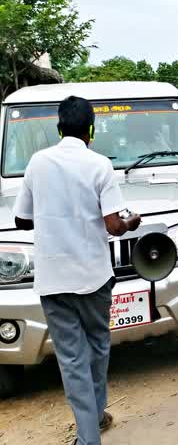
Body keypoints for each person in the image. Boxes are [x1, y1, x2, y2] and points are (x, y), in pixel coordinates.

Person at [13, 96, 141, 445]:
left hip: (54, 281)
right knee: (98, 345)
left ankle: (91, 427)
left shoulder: (37, 163)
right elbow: (114, 226)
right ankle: (93, 423)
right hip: (93, 278)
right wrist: (132, 222)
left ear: (58, 128)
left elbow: (21, 219)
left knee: (71, 360)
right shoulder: (99, 165)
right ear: (90, 131)